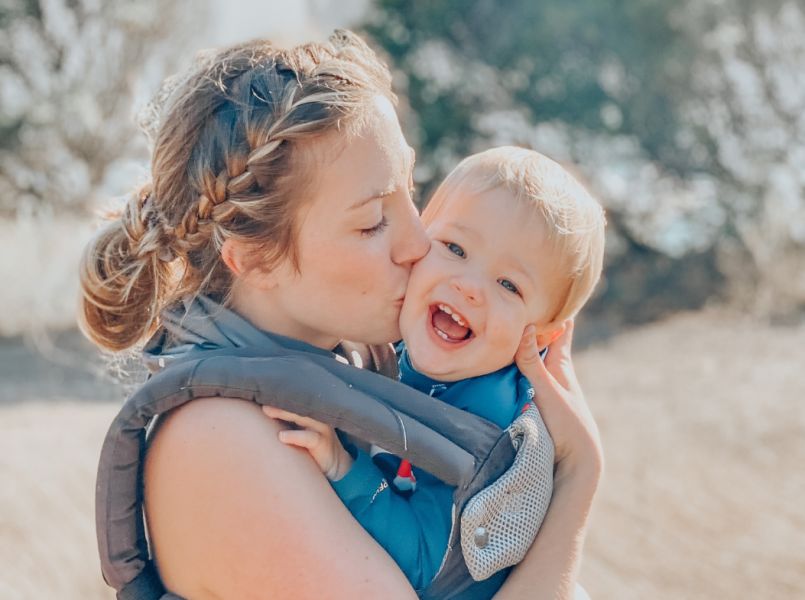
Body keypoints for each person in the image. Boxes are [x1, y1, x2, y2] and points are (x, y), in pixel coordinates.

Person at [79, 31, 603, 599]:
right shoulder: (222, 438)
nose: (419, 241)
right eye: (373, 221)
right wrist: (577, 477)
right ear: (256, 258)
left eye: (410, 189)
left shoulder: (353, 374)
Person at [265, 146, 605, 592]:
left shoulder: (491, 430)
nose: (468, 286)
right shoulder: (399, 348)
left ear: (540, 337)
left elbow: (428, 562)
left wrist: (343, 468)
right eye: (455, 247)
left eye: (509, 285)